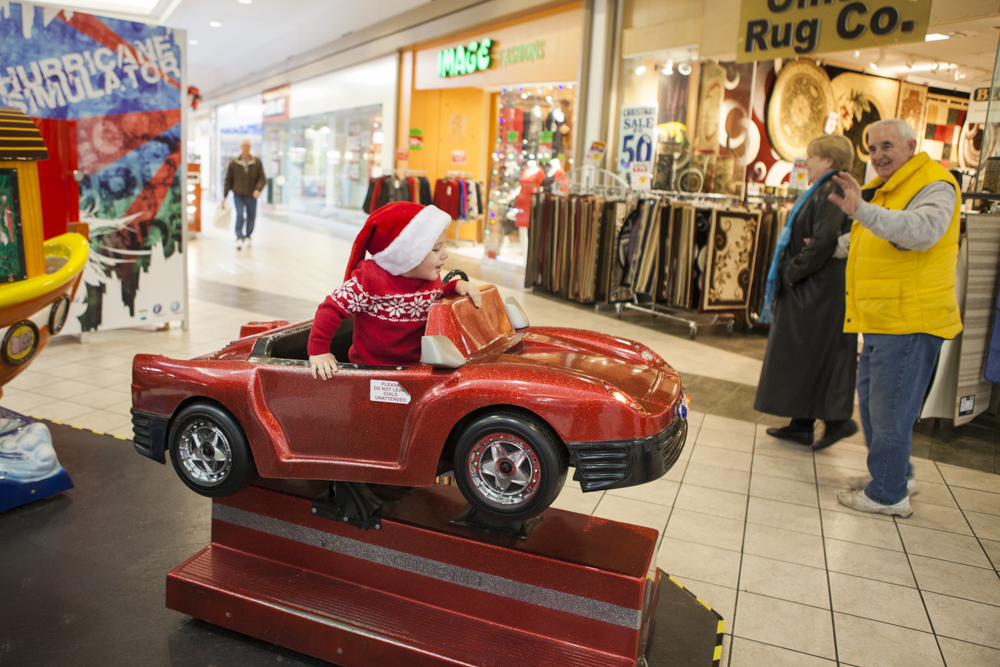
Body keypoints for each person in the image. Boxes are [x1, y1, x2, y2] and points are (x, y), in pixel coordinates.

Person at [828, 118, 962, 518]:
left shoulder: (935, 184)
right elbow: (875, 238)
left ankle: (888, 494)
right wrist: (828, 246)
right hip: (885, 320)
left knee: (888, 412)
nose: (878, 155)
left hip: (909, 321)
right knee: (875, 408)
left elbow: (920, 232)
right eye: (872, 149)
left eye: (886, 146)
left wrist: (863, 212)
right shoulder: (892, 189)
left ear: (911, 145)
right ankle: (895, 473)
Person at [755, 135, 858, 450]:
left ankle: (837, 422)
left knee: (813, 353)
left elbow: (823, 240)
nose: (806, 163)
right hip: (814, 288)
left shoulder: (833, 189)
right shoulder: (826, 188)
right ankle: (801, 423)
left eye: (811, 157)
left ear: (828, 160)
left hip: (817, 290)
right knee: (805, 355)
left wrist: (791, 272)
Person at [308, 202, 481, 379]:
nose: (444, 254)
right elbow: (331, 308)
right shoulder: (370, 280)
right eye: (436, 249)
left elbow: (436, 297)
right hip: (371, 372)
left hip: (416, 370)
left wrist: (454, 287)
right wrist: (319, 351)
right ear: (406, 255)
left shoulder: (429, 275)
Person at [224, 139, 267, 250]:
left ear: (250, 147)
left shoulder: (256, 162)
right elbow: (228, 180)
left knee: (251, 216)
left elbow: (262, 178)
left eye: (247, 145)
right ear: (240, 147)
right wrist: (225, 195)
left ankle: (248, 235)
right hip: (238, 194)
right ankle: (239, 237)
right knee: (240, 215)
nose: (245, 147)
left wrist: (258, 189)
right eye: (243, 145)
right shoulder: (234, 163)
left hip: (252, 195)